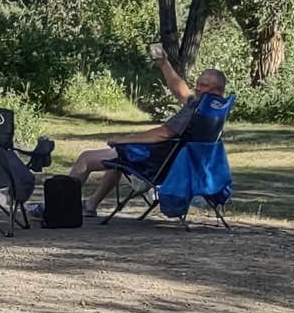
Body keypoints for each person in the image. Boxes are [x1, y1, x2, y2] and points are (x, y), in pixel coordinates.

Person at [65, 52, 227, 218]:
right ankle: (91, 205)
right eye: (198, 84)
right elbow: (182, 93)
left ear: (218, 90)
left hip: (157, 164)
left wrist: (123, 140)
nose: (198, 88)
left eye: (204, 86)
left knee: (86, 158)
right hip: (182, 165)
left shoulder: (196, 111)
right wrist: (164, 64)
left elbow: (162, 134)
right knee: (118, 160)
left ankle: (59, 207)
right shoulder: (214, 110)